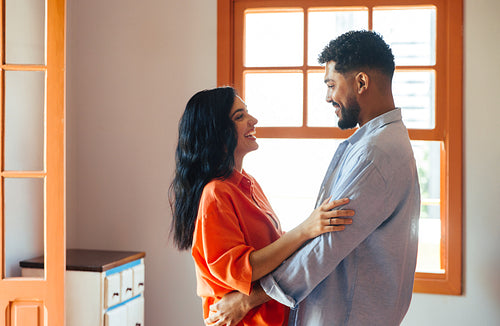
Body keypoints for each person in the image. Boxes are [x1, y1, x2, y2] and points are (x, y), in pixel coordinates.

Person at [205, 30, 421, 326]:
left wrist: (248, 299)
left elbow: (326, 245)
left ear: (361, 82)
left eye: (332, 84)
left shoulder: (375, 154)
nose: (328, 96)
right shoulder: (377, 143)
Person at [170, 86, 354, 325]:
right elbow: (245, 270)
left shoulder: (247, 183)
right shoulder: (216, 194)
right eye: (240, 116)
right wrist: (306, 230)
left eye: (247, 113)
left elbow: (273, 247)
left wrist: (312, 231)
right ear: (216, 133)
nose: (253, 120)